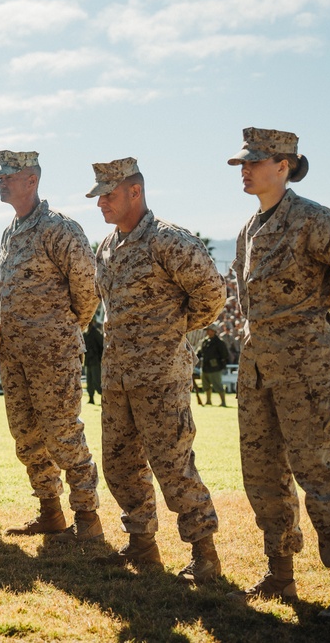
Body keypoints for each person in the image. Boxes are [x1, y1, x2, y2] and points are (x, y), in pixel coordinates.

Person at [227, 127, 330, 620]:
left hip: (308, 369)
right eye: (243, 163)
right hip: (259, 369)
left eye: (255, 161)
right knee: (263, 473)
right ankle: (280, 571)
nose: (246, 170)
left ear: (285, 165)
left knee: (319, 474)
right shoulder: (249, 230)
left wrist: (319, 302)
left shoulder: (311, 218)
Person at [90, 156, 227, 582]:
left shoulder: (169, 240)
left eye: (109, 195)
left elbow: (212, 295)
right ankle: (142, 544)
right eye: (97, 196)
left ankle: (205, 555)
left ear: (136, 191)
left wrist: (173, 334)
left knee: (173, 463)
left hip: (161, 375)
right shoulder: (107, 247)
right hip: (118, 377)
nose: (101, 204)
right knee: (119, 463)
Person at [0, 150, 103, 542]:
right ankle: (50, 512)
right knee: (26, 436)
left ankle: (87, 518)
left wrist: (61, 329)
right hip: (16, 355)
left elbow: (88, 290)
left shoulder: (59, 229)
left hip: (53, 354)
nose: (0, 182)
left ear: (31, 180)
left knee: (63, 434)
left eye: (8, 176)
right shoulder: (10, 232)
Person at [198, 325, 230, 406]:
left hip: (215, 367)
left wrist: (221, 364)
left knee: (217, 385)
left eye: (209, 330)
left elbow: (224, 355)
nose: (208, 332)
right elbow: (200, 353)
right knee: (206, 385)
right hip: (205, 366)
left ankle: (223, 402)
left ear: (214, 331)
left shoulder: (219, 342)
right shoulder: (204, 341)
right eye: (207, 330)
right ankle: (208, 401)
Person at [84, 316, 103, 405]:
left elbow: (102, 345)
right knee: (89, 381)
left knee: (96, 381)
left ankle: (104, 399)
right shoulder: (85, 333)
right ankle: (91, 398)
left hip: (95, 360)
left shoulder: (95, 333)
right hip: (88, 361)